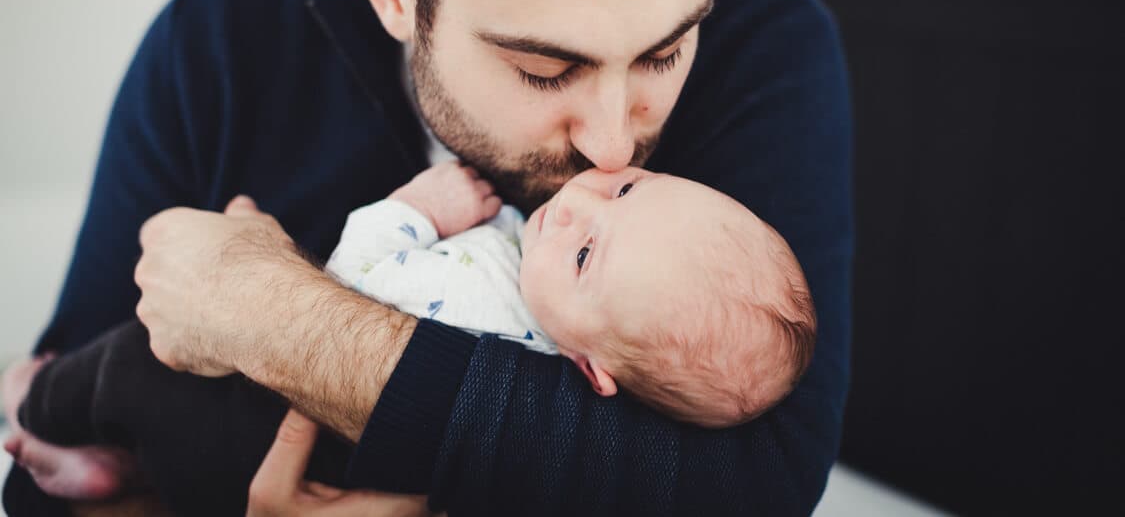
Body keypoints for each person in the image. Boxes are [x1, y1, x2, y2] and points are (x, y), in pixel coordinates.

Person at [2, 0, 854, 515]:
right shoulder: (218, 38)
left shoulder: (767, 38)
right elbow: (49, 457)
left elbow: (755, 484)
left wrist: (268, 315)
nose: (610, 151)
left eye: (665, 52)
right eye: (545, 69)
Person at [9, 161, 816, 513]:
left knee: (118, 362)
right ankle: (97, 464)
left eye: (583, 252)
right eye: (629, 190)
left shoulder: (482, 296)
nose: (578, 205)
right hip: (251, 479)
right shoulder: (567, 353)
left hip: (229, 426)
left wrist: (421, 208)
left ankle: (42, 414)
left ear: (594, 368)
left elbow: (359, 275)